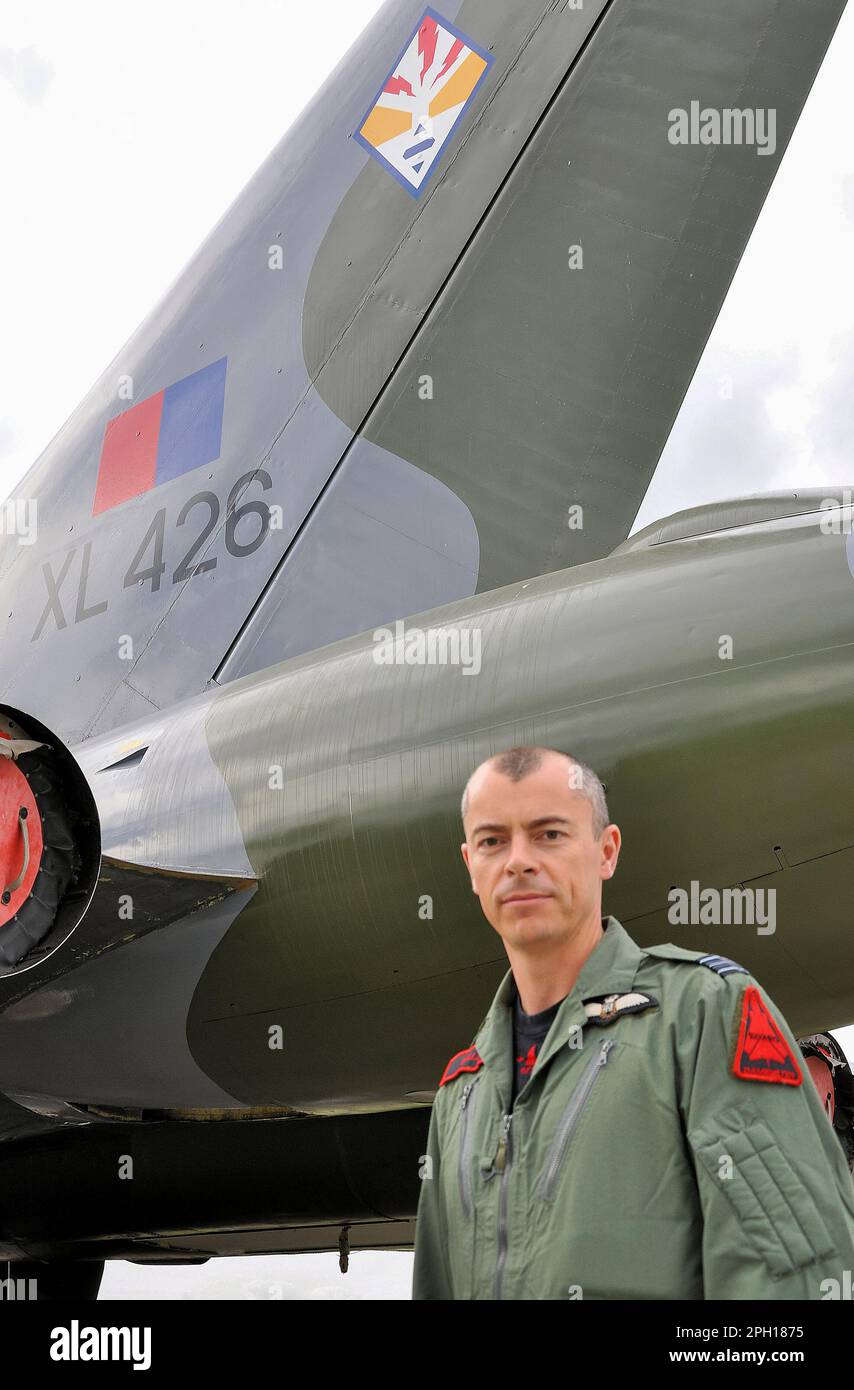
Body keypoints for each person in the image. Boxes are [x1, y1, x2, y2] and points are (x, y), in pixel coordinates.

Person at [411, 745, 854, 1300]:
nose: (518, 860)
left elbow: (795, 1292)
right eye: (493, 841)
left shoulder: (702, 1012)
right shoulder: (463, 1090)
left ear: (606, 851)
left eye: (549, 834)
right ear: (470, 867)